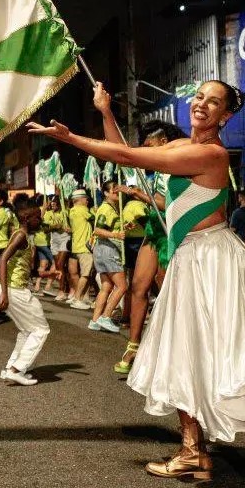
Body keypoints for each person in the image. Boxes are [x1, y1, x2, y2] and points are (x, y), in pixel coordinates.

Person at [29, 79, 245, 488]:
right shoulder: (181, 147)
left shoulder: (210, 153)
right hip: (189, 258)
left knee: (238, 365)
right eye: (199, 97)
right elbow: (131, 161)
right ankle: (192, 453)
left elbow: (125, 153)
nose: (202, 104)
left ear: (225, 116)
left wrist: (70, 136)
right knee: (182, 355)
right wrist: (106, 112)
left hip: (213, 260)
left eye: (213, 102)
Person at [112, 121, 186, 374]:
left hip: (173, 233)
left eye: (149, 145)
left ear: (163, 141)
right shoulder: (155, 171)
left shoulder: (178, 168)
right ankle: (133, 345)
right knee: (138, 286)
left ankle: (175, 348)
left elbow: (168, 205)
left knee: (168, 291)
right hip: (155, 230)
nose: (145, 150)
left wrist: (137, 194)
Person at [0, 199, 61, 386]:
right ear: (26, 218)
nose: (40, 221)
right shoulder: (20, 236)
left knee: (26, 330)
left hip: (12, 288)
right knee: (41, 329)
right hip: (14, 290)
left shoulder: (23, 235)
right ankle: (18, 369)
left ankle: (11, 368)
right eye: (37, 218)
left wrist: (49, 273)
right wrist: (6, 295)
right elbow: (2, 260)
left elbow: (24, 268)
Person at [89, 180, 127, 332]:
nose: (117, 192)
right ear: (106, 193)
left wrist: (121, 230)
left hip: (101, 250)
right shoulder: (106, 209)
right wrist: (115, 234)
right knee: (122, 286)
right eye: (114, 190)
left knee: (106, 286)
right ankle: (106, 317)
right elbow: (97, 230)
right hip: (107, 250)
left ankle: (95, 320)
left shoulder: (111, 208)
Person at [66, 189, 95, 309]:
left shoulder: (71, 211)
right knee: (86, 274)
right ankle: (77, 298)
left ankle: (84, 297)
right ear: (79, 199)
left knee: (86, 273)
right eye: (85, 198)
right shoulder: (83, 210)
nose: (87, 200)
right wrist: (95, 212)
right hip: (85, 247)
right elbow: (95, 218)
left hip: (77, 246)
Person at [44, 196, 71, 301]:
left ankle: (61, 290)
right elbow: (45, 229)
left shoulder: (66, 212)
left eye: (55, 202)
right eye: (52, 202)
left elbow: (70, 224)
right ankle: (66, 288)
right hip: (54, 240)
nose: (52, 204)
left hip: (65, 238)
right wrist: (55, 227)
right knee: (60, 267)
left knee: (59, 264)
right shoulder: (48, 213)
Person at [31, 197, 56, 296]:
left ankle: (37, 287)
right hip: (44, 242)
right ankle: (48, 287)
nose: (52, 202)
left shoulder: (40, 210)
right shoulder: (42, 210)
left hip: (39, 241)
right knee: (55, 264)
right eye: (50, 200)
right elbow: (39, 221)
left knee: (43, 265)